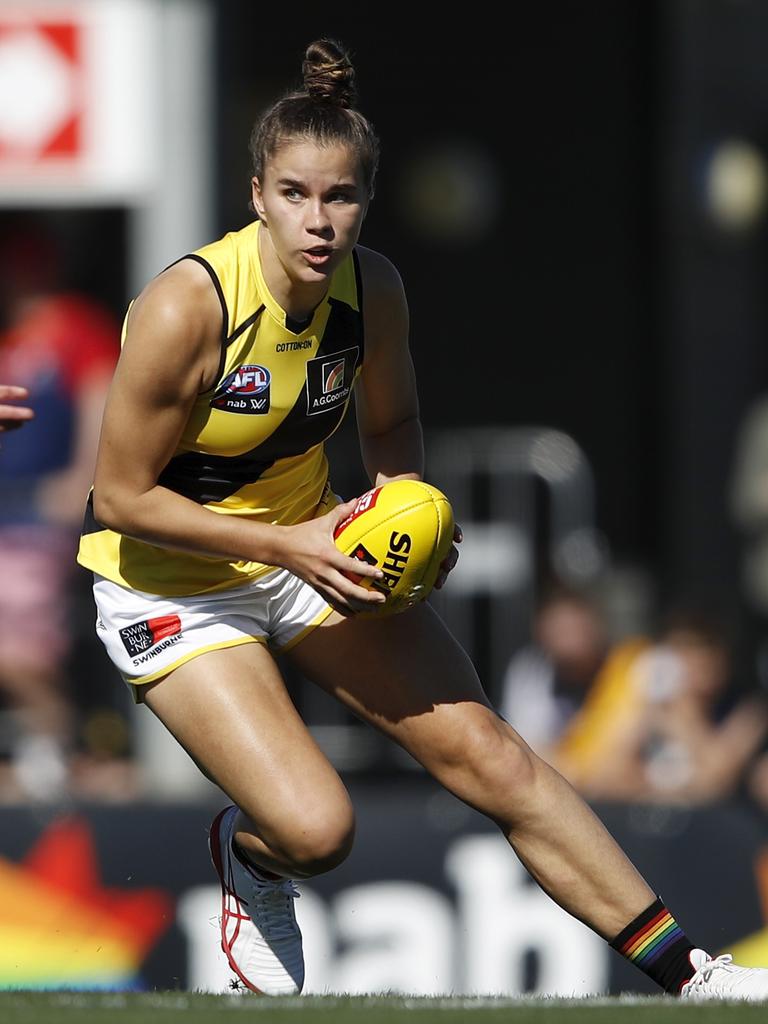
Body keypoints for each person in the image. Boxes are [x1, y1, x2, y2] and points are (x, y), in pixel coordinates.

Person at [76, 38, 768, 1001]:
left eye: (341, 196)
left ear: (367, 198)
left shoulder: (374, 290)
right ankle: (252, 856)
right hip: (170, 581)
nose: (319, 222)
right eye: (295, 195)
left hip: (312, 548)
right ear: (255, 195)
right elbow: (120, 499)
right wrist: (291, 545)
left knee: (492, 756)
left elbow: (392, 423)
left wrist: (408, 520)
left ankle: (696, 976)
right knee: (319, 831)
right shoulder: (187, 306)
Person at [0, 222, 119, 799]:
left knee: (19, 651)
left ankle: (57, 755)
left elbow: (104, 400)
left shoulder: (76, 325)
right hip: (7, 513)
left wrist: (83, 482)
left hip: (37, 519)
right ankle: (45, 755)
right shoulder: (9, 334)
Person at [499, 583, 611, 761]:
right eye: (561, 630)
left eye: (574, 629)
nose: (568, 640)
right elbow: (526, 749)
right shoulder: (531, 671)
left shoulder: (625, 672)